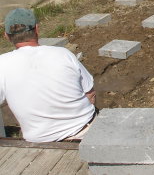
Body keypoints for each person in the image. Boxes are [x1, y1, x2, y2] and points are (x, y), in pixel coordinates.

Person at [0, 8, 97, 142]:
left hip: (40, 144)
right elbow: (90, 94)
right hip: (84, 132)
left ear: (6, 36)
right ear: (37, 29)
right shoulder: (63, 54)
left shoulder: (2, 64)